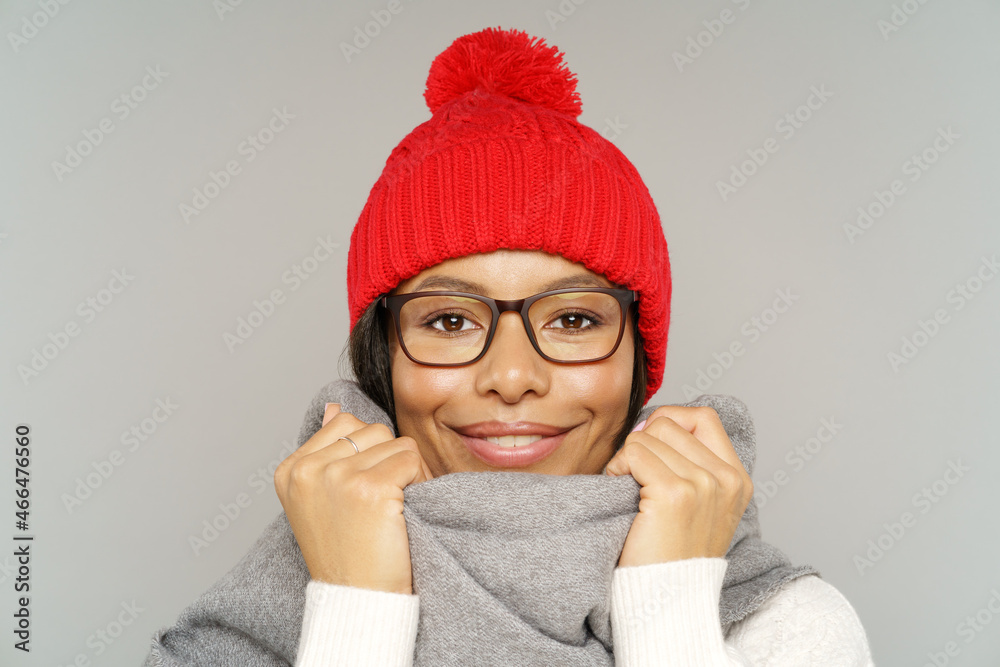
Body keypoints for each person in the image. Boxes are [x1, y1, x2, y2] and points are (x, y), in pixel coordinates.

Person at [145, 26, 874, 666]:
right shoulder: (248, 631)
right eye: (451, 321)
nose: (513, 375)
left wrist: (669, 603)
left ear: (639, 361)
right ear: (383, 358)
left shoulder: (786, 627)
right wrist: (355, 607)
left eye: (575, 320)